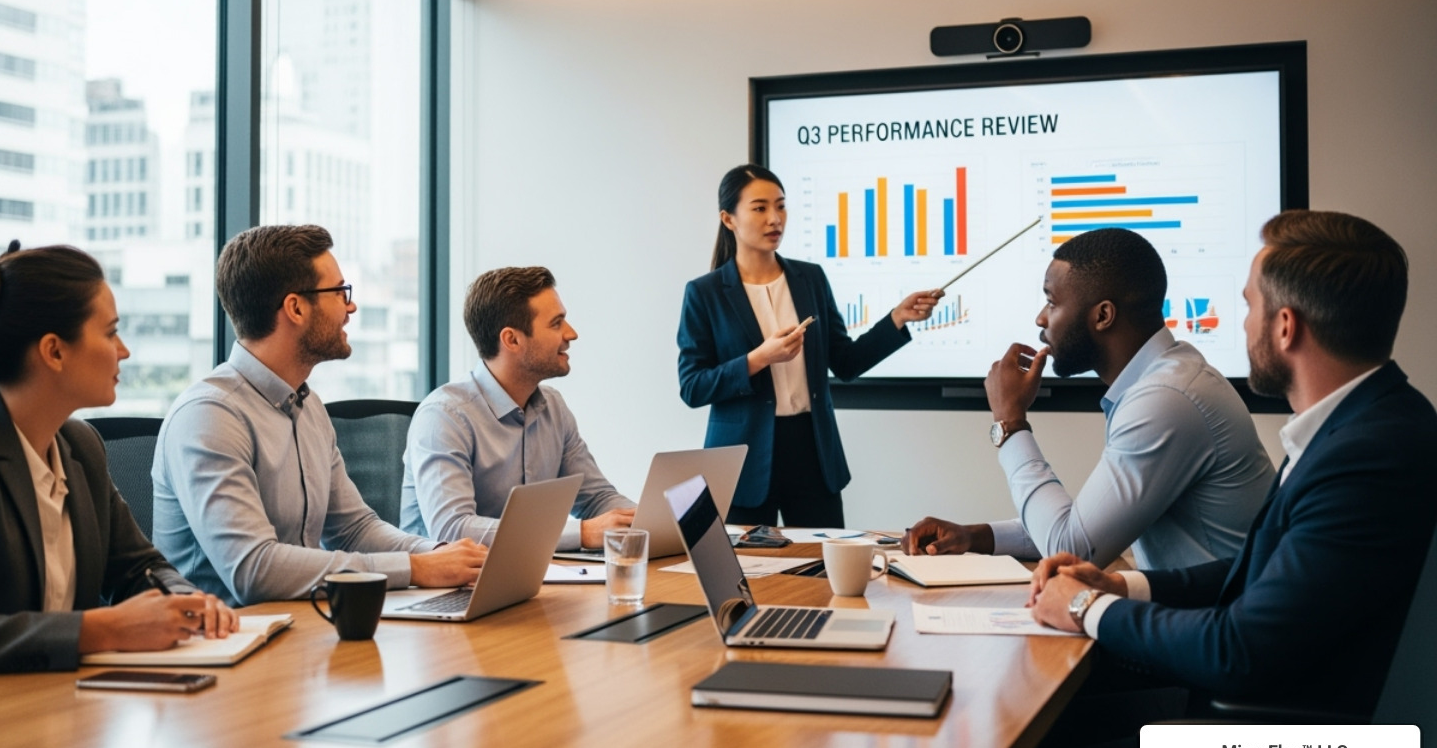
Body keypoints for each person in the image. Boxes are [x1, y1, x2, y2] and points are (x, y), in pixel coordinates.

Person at [1027, 210, 1436, 715]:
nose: (1243, 324)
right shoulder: (1358, 425)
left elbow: (1237, 650)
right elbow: (1262, 579)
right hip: (1272, 723)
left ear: (1285, 327)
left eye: (1249, 306)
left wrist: (1085, 607)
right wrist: (1120, 585)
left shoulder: (1368, 457)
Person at [0, 243, 236, 683]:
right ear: (54, 352)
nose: (124, 351)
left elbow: (137, 567)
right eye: (110, 332)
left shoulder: (81, 446)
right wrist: (98, 629)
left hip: (63, 710)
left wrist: (184, 599)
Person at [152, 225, 486, 606]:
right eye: (341, 292)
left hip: (303, 628)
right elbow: (254, 570)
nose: (351, 307)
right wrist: (414, 567)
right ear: (295, 307)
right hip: (225, 642)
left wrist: (441, 553)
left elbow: (354, 529)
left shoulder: (307, 405)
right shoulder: (209, 416)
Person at [905, 227, 1275, 570]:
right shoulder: (1161, 380)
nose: (1040, 319)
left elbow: (1071, 550)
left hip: (1215, 627)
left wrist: (1010, 423)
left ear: (1103, 316)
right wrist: (975, 537)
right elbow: (1085, 527)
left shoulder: (1166, 400)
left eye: (1051, 302)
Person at [677, 164, 941, 527]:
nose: (775, 219)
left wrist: (896, 318)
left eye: (781, 206)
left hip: (813, 452)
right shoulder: (704, 293)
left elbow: (846, 362)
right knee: (749, 576)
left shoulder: (810, 278)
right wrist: (758, 359)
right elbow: (692, 387)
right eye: (760, 208)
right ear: (728, 219)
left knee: (822, 574)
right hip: (742, 460)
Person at [403, 267, 636, 550]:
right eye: (556, 323)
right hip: (447, 588)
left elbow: (597, 499)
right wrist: (582, 533)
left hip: (530, 577)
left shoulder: (554, 408)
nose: (571, 333)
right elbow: (453, 529)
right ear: (512, 340)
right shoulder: (444, 417)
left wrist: (648, 524)